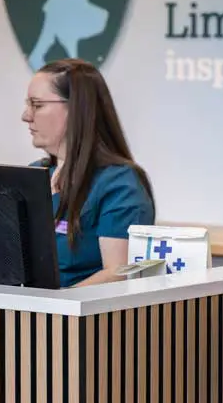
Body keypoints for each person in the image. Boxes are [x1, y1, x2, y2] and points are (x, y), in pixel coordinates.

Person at [22, 58, 155, 288]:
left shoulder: (119, 185)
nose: (26, 115)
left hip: (76, 320)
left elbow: (118, 274)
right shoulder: (35, 174)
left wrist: (53, 308)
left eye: (37, 105)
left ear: (75, 109)